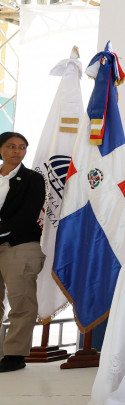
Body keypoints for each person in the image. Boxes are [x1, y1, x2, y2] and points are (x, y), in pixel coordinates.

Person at [0, 133, 46, 373]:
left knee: (22, 302)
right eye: (11, 146)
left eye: (22, 147)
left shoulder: (33, 179)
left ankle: (14, 356)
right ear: (0, 149)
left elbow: (28, 214)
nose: (17, 151)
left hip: (20, 245)